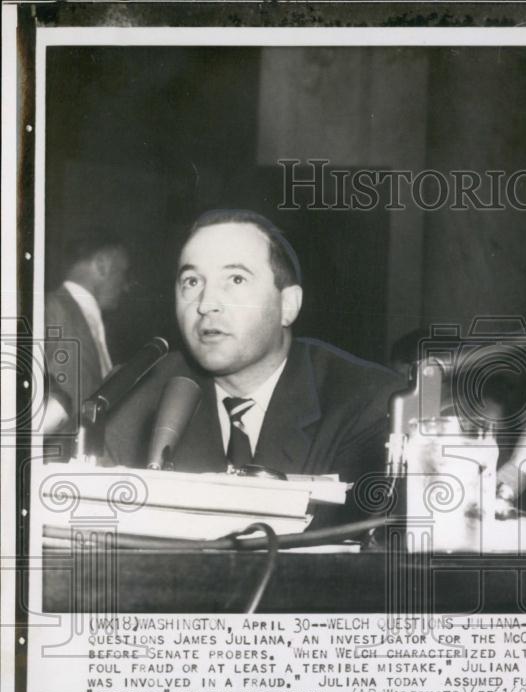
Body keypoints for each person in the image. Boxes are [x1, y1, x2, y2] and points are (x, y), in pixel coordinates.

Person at [102, 209, 401, 528]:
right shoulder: (132, 398)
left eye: (236, 279)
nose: (206, 304)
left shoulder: (368, 402)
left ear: (288, 305)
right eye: (191, 281)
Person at [43, 231, 131, 451]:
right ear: (102, 264)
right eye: (125, 273)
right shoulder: (51, 308)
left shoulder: (90, 320)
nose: (126, 286)